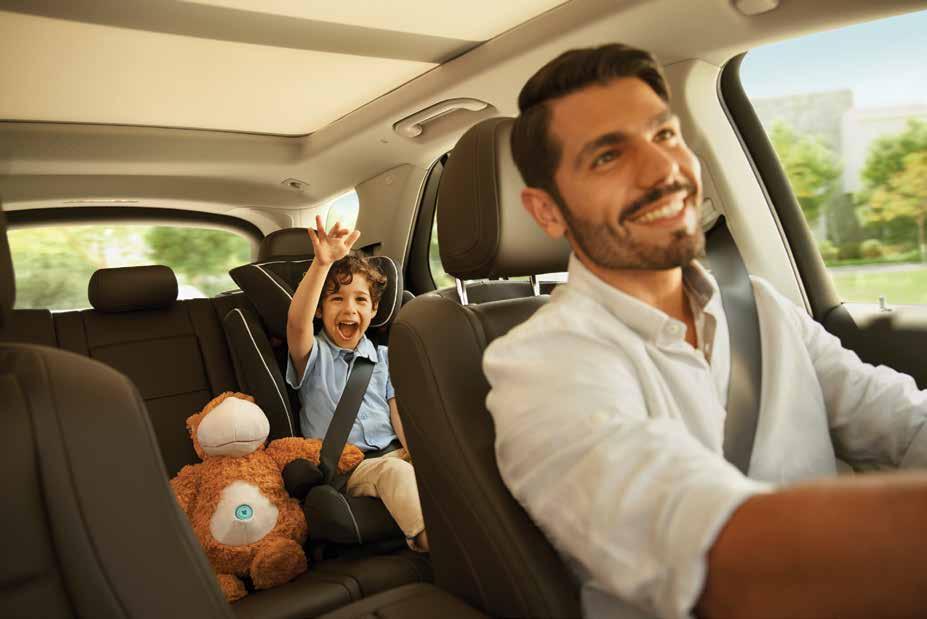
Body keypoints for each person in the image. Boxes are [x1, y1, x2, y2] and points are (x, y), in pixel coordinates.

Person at [483, 44, 927, 619]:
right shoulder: (538, 368)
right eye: (608, 156)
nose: (664, 170)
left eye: (665, 135)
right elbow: (720, 552)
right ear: (547, 211)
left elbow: (896, 419)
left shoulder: (759, 305)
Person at [286, 216, 428, 552]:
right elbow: (296, 322)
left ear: (374, 309)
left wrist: (423, 456)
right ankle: (436, 544)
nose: (349, 308)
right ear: (320, 309)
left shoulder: (385, 357)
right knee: (394, 472)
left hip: (396, 453)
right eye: (336, 299)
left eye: (361, 300)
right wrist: (323, 263)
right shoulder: (312, 356)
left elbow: (399, 414)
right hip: (351, 469)